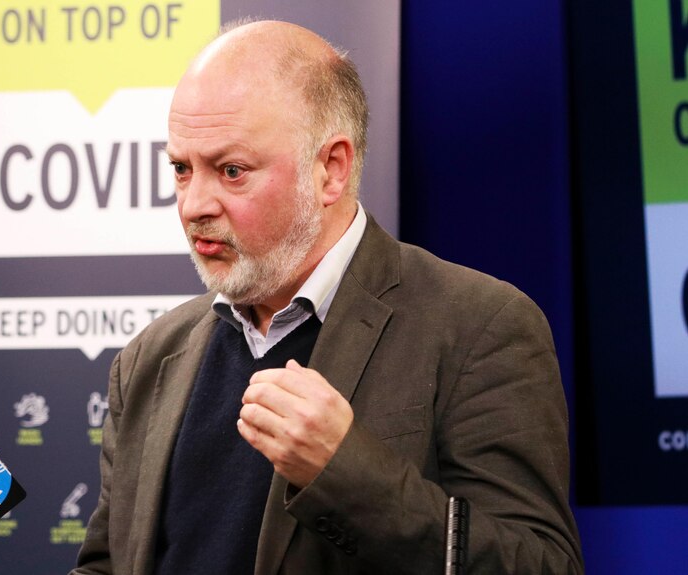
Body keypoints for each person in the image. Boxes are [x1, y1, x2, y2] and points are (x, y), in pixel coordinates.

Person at [72, 20, 583, 575]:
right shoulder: (149, 358)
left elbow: (540, 565)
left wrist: (344, 470)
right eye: (181, 169)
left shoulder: (479, 326)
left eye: (232, 170)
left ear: (331, 169)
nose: (195, 204)